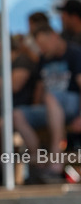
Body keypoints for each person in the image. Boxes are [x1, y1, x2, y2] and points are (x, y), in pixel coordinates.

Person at [13, 27, 81, 174]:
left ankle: (56, 154)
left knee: (50, 97)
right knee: (17, 114)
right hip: (50, 107)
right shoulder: (44, 58)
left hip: (72, 104)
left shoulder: (75, 53)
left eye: (43, 45)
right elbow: (40, 87)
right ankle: (39, 159)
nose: (42, 49)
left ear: (54, 36)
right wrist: (35, 108)